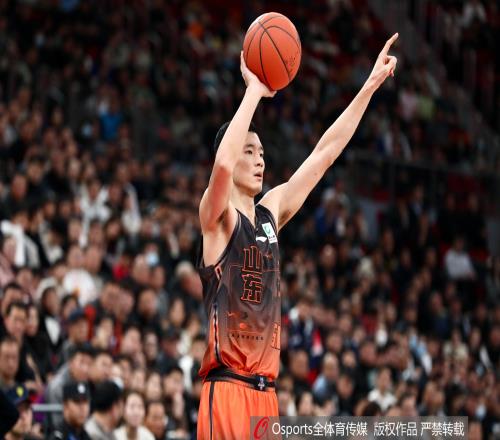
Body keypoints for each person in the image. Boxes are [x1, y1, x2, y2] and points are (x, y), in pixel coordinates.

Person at [196, 33, 399, 439]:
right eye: (250, 151)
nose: (260, 159)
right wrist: (253, 91)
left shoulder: (270, 212)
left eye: (262, 153)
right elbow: (222, 164)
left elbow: (324, 155)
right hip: (227, 389)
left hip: (267, 396)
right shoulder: (217, 218)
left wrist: (370, 87)